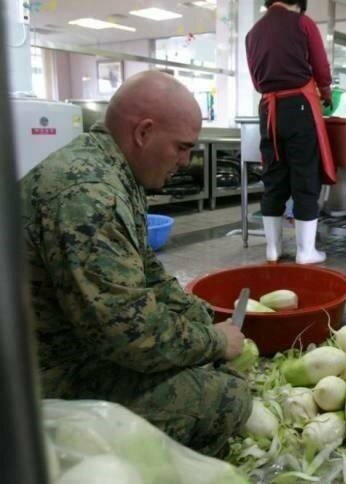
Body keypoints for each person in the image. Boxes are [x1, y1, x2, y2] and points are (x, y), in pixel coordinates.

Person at [19, 71, 251, 457]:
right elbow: (130, 336)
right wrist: (214, 341)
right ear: (143, 132)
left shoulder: (110, 170)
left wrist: (199, 315)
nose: (185, 160)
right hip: (42, 380)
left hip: (66, 344)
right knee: (226, 398)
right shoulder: (90, 195)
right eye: (181, 147)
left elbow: (146, 271)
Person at [246, 0, 334, 265]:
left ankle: (272, 249)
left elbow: (255, 79)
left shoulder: (253, 33)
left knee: (273, 176)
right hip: (299, 106)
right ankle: (306, 252)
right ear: (298, 3)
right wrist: (326, 91)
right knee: (305, 176)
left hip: (268, 109)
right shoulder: (303, 23)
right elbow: (320, 66)